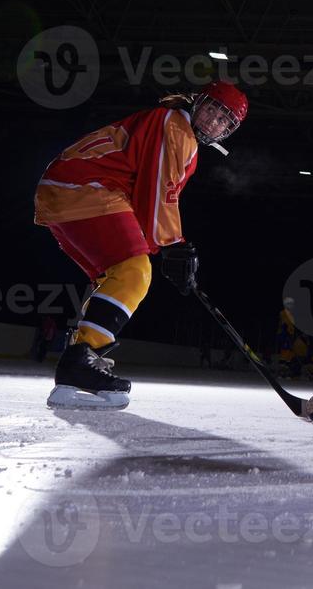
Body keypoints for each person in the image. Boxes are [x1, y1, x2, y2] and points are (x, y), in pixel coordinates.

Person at [33, 80, 249, 410]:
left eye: (224, 121)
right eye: (212, 110)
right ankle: (80, 361)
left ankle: (80, 360)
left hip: (67, 189)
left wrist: (165, 247)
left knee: (118, 276)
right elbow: (159, 190)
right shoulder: (175, 126)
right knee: (133, 271)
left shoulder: (175, 129)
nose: (213, 121)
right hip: (83, 187)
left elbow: (147, 194)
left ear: (227, 133)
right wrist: (174, 245)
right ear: (199, 102)